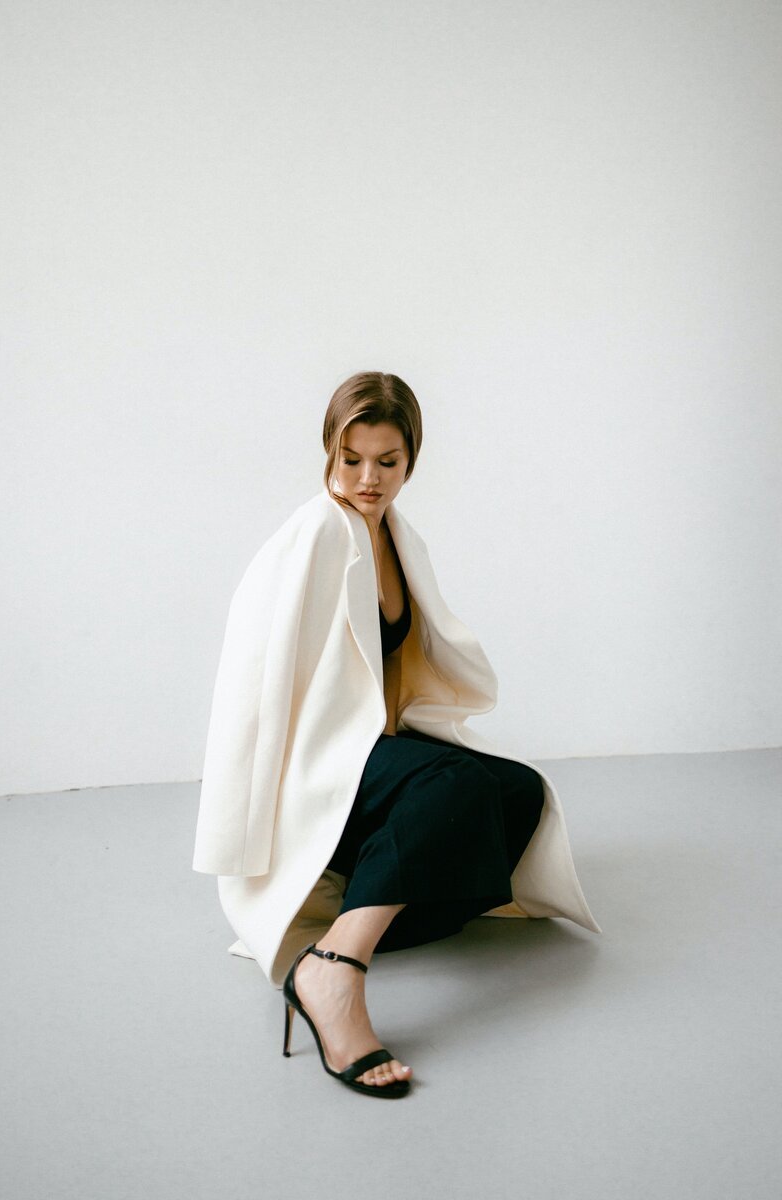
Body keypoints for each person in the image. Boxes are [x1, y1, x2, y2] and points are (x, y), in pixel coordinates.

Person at [193, 371, 601, 1100]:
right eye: (351, 459)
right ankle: (334, 969)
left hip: (362, 753)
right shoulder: (318, 531)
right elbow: (250, 690)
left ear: (412, 460)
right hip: (313, 774)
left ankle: (367, 912)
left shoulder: (394, 534)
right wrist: (244, 835)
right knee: (456, 785)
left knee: (516, 792)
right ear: (328, 452)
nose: (368, 478)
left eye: (387, 461)